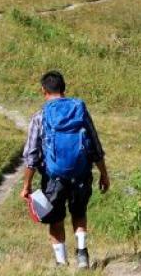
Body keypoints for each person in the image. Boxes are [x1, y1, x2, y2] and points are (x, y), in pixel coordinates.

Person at [21, 70, 110, 269]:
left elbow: (31, 157)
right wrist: (104, 174)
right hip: (81, 174)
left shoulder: (40, 117)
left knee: (55, 219)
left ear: (43, 90)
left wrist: (26, 185)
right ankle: (82, 255)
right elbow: (95, 146)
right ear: (64, 88)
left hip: (53, 178)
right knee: (79, 214)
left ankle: (61, 264)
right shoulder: (80, 111)